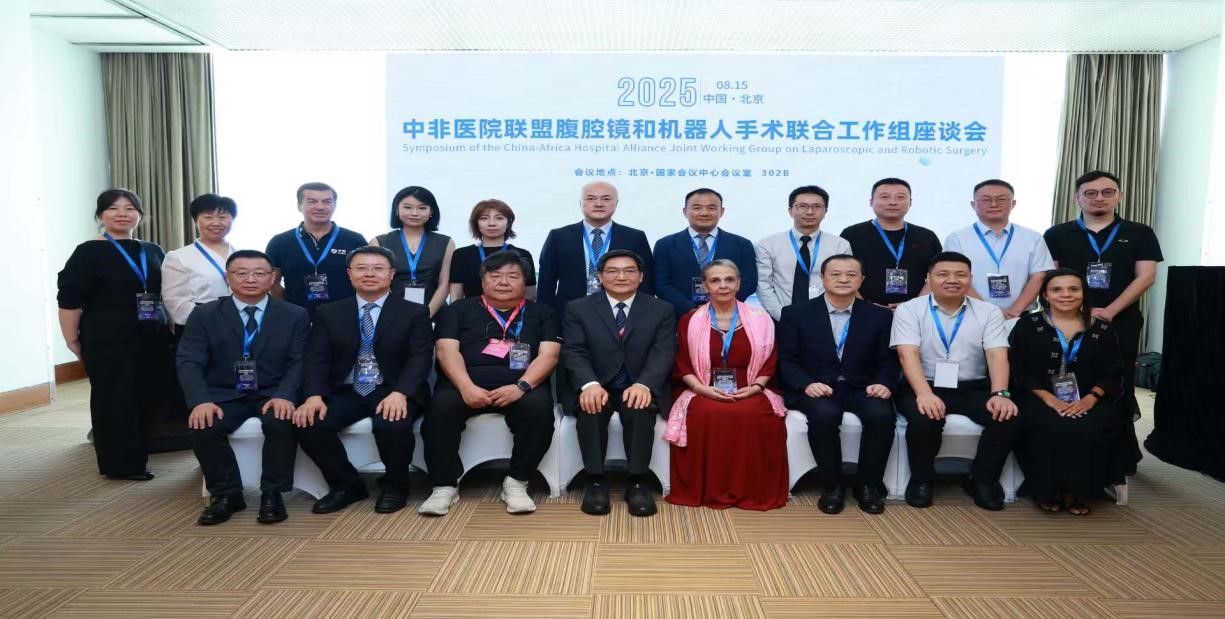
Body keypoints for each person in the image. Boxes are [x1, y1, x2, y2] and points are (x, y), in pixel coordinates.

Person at [293, 246, 435, 515]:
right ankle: (346, 485)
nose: (369, 274)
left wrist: (401, 393)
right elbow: (316, 358)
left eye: (378, 268)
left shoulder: (414, 312)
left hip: (392, 387)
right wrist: (313, 396)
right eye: (361, 268)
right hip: (345, 388)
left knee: (392, 423)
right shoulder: (329, 312)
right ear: (349, 274)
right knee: (309, 422)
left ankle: (395, 486)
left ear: (392, 274)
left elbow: (420, 358)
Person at [419, 250, 562, 516]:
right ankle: (444, 485)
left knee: (539, 413)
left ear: (525, 282)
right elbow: (446, 351)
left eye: (513, 276)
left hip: (521, 385)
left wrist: (521, 387)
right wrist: (466, 387)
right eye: (495, 276)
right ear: (482, 281)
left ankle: (517, 482)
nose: (504, 282)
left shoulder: (543, 313)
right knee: (439, 412)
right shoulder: (456, 310)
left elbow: (549, 355)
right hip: (463, 384)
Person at [1043, 170, 1163, 479]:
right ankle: (1069, 448)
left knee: (1117, 384)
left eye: (1107, 192)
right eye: (1091, 193)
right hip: (1069, 322)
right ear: (1077, 198)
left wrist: (1110, 310)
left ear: (1119, 196)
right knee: (1071, 377)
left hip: (1120, 320)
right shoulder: (1057, 234)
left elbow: (1146, 276)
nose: (1099, 198)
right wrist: (1076, 312)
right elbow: (1051, 279)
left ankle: (1119, 457)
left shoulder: (1139, 232)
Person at [176, 250, 310, 525]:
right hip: (223, 393)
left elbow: (299, 361)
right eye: (241, 273)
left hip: (272, 392)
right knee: (204, 426)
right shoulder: (204, 314)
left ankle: (272, 493)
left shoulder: (294, 314)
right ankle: (227, 495)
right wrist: (200, 400)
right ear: (228, 277)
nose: (251, 279)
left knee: (281, 423)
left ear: (272, 278)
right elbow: (189, 361)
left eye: (259, 273)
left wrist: (285, 395)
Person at [57, 189, 172, 481]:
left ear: (140, 215)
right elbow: (69, 299)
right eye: (113, 208)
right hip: (107, 336)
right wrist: (71, 338)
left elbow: (165, 293)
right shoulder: (87, 252)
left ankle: (139, 456)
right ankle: (118, 464)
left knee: (146, 395)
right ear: (100, 215)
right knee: (113, 397)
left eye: (130, 208)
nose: (122, 214)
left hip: (151, 335)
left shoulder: (152, 250)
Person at [890, 251, 1019, 511]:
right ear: (928, 278)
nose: (952, 280)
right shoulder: (909, 309)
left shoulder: (988, 312)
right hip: (922, 384)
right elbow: (907, 354)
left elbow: (997, 354)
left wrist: (1000, 394)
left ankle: (982, 480)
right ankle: (922, 479)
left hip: (973, 387)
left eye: (961, 274)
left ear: (970, 278)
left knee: (1007, 417)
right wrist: (924, 394)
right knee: (924, 418)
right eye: (943, 274)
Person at [777, 254, 898, 515]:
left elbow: (888, 360)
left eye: (851, 274)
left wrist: (883, 383)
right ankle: (832, 485)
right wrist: (806, 384)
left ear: (862, 279)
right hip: (817, 386)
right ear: (822, 278)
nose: (844, 279)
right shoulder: (796, 313)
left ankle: (868, 485)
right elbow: (786, 360)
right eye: (835, 274)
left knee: (881, 415)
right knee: (825, 415)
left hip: (862, 386)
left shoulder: (879, 316)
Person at [663, 259, 788, 511]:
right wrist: (702, 389)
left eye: (729, 280)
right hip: (703, 387)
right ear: (705, 286)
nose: (723, 285)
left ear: (739, 284)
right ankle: (710, 490)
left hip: (750, 386)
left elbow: (770, 361)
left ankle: (752, 490)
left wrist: (756, 388)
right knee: (705, 413)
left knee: (754, 414)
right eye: (715, 280)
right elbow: (682, 363)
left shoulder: (762, 319)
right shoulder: (689, 320)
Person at [562, 249, 677, 516]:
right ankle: (595, 481)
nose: (621, 277)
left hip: (638, 383)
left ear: (641, 276)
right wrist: (589, 384)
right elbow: (574, 351)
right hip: (597, 383)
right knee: (591, 409)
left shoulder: (661, 309)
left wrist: (645, 384)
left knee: (639, 410)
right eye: (612, 271)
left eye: (629, 271)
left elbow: (663, 352)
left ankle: (637, 481)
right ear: (600, 277)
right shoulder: (578, 308)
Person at [1010, 268, 1123, 516]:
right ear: (1045, 294)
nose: (1066, 295)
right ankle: (1048, 491)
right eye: (1057, 290)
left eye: (1073, 289)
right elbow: (1018, 370)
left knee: (1089, 426)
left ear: (1083, 293)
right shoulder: (1028, 325)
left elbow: (1113, 371)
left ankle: (1079, 492)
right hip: (1038, 396)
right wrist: (1050, 399)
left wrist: (1090, 399)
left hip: (1091, 398)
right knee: (1051, 425)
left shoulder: (1102, 329)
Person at [537, 181, 654, 312]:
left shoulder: (635, 237)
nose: (599, 204)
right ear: (580, 203)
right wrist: (546, 318)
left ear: (616, 203)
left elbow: (646, 282)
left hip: (620, 312)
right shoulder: (558, 236)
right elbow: (546, 283)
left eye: (606, 199)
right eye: (591, 198)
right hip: (569, 312)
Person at [944, 180, 1054, 319]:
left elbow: (1039, 276)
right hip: (971, 315)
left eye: (1001, 199)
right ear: (973, 205)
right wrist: (987, 311)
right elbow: (955, 278)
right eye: (986, 200)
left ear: (1013, 203)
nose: (994, 204)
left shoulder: (1033, 238)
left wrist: (1015, 311)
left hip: (1020, 316)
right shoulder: (957, 239)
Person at [265, 182, 367, 319]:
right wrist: (287, 309)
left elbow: (365, 278)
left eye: (327, 202)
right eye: (312, 201)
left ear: (334, 206)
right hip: (296, 317)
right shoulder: (280, 242)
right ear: (299, 206)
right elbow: (273, 283)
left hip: (344, 317)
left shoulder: (354, 240)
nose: (320, 207)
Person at [652, 188, 757, 317]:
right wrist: (689, 308)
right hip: (680, 316)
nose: (704, 213)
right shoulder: (665, 245)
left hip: (729, 316)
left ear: (722, 211)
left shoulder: (742, 245)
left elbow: (749, 281)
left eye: (711, 208)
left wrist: (721, 305)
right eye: (697, 208)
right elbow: (661, 284)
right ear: (685, 211)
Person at [840, 178, 942, 308]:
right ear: (871, 202)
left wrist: (914, 307)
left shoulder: (927, 236)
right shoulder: (851, 234)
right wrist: (864, 307)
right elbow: (840, 274)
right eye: (885, 197)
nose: (893, 202)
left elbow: (937, 275)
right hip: (862, 310)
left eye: (900, 197)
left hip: (916, 313)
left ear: (910, 202)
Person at [756, 185, 852, 321]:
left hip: (827, 318)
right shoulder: (768, 244)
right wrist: (783, 317)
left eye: (817, 206)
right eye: (802, 206)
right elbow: (763, 285)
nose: (810, 212)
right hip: (782, 318)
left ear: (825, 211)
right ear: (790, 210)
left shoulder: (840, 245)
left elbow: (844, 283)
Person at [371, 186, 455, 316]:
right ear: (397, 209)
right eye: (407, 207)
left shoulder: (446, 242)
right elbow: (378, 282)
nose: (415, 213)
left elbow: (444, 284)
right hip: (391, 312)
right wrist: (399, 314)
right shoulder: (379, 242)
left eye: (422, 208)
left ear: (431, 211)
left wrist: (426, 315)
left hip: (434, 312)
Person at [162, 194, 237, 330]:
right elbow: (176, 302)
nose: (216, 223)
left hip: (240, 323)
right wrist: (215, 321)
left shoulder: (242, 255)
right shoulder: (178, 257)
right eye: (208, 217)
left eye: (222, 217)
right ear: (195, 220)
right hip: (199, 326)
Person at [449, 198, 537, 301]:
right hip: (470, 310)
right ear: (476, 223)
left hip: (512, 310)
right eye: (484, 218)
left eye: (499, 218)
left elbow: (530, 295)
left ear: (508, 222)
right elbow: (456, 296)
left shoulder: (522, 254)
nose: (492, 223)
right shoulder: (462, 255)